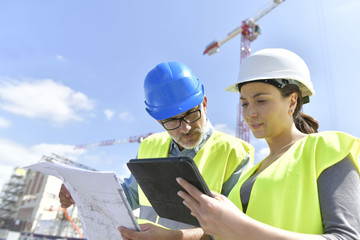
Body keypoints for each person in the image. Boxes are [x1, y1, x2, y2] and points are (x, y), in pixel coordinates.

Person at [177, 48, 360, 240]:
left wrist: (240, 226)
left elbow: (347, 237)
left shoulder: (327, 148)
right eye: (244, 104)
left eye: (261, 101)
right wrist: (173, 236)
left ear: (292, 101)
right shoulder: (248, 176)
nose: (250, 113)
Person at [59, 61, 254, 240]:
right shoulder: (149, 146)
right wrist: (81, 191)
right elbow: (130, 196)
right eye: (171, 121)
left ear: (203, 103)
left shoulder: (235, 152)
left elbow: (235, 228)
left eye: (191, 114)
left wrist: (176, 237)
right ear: (159, 121)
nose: (184, 128)